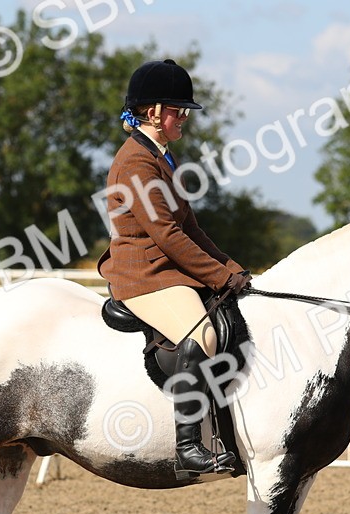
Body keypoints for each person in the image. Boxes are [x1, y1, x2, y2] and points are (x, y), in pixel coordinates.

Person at [96, 58, 251, 476]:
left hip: (165, 268)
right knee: (200, 330)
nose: (184, 119)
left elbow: (191, 228)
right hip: (143, 273)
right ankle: (189, 447)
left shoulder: (162, 157)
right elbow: (167, 236)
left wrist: (234, 271)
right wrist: (219, 276)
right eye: (177, 112)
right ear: (153, 113)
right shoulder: (136, 163)